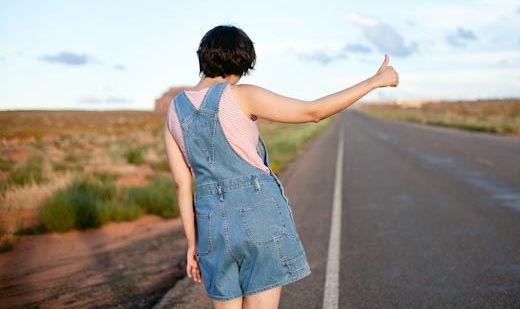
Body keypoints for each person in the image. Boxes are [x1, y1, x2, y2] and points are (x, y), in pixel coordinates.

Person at [164, 25, 399, 309]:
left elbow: (182, 183)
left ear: (204, 58)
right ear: (239, 63)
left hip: (211, 226)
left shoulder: (175, 110)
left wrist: (193, 243)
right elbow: (312, 112)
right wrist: (374, 81)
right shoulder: (242, 95)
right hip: (257, 214)